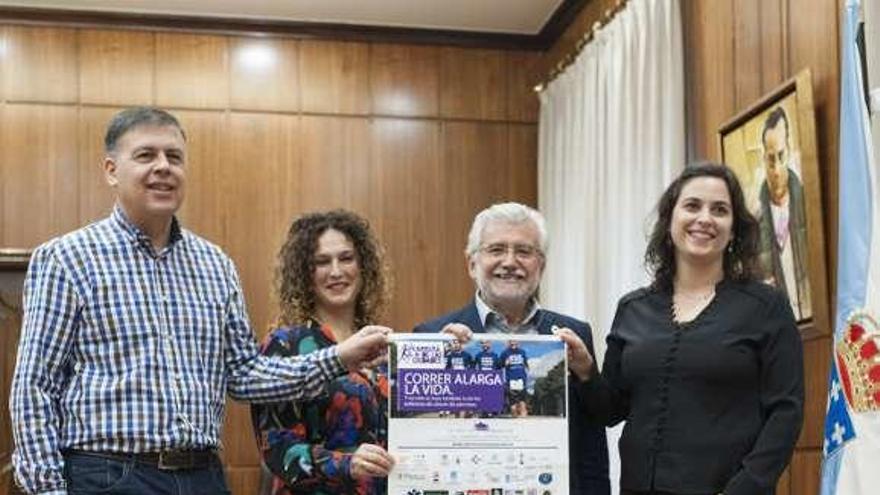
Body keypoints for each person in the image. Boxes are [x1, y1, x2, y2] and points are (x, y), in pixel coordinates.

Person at [9, 108, 388, 495]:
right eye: (146, 155)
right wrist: (47, 490)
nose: (163, 167)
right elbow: (35, 386)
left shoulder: (215, 264)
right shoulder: (67, 258)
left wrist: (338, 358)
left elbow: (244, 375)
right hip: (107, 474)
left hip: (202, 474)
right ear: (111, 170)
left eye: (174, 157)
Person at [566, 163, 804, 495]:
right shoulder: (632, 308)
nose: (705, 218)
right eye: (692, 206)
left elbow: (786, 412)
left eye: (720, 210)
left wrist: (746, 488)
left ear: (734, 229)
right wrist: (586, 372)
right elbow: (612, 409)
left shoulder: (767, 307)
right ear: (669, 221)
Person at [413, 202, 610, 495]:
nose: (510, 261)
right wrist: (438, 362)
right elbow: (420, 439)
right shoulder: (432, 335)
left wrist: (586, 372)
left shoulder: (572, 334)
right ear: (472, 264)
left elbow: (594, 433)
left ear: (540, 266)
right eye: (496, 250)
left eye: (524, 251)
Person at [251, 210, 395, 495]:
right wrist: (346, 463)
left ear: (363, 265)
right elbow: (279, 451)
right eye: (321, 262)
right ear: (305, 273)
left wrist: (452, 351)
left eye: (346, 258)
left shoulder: (381, 344)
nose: (336, 271)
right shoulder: (285, 346)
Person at [757, 106, 811, 321]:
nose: (777, 169)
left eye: (781, 156)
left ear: (789, 150)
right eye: (771, 160)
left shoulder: (809, 206)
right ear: (763, 159)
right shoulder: (753, 222)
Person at [499, 339, 530, 416]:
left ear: (518, 341)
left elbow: (526, 365)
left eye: (515, 341)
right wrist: (505, 363)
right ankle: (515, 419)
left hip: (521, 379)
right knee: (513, 404)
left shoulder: (522, 352)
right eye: (511, 341)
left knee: (522, 401)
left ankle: (524, 421)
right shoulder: (504, 353)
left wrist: (527, 373)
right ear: (508, 342)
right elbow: (500, 365)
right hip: (511, 380)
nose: (513, 343)